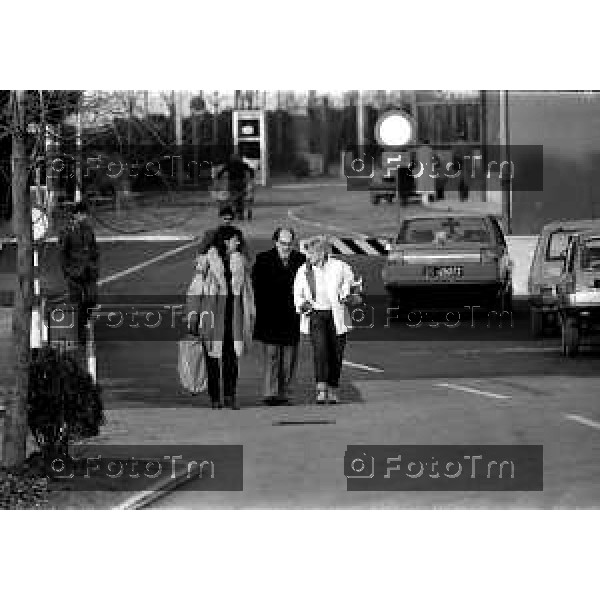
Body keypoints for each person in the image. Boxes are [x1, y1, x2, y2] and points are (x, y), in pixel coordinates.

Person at [187, 226, 255, 409]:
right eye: (235, 239)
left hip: (233, 317)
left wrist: (250, 313)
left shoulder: (240, 262)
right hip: (211, 317)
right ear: (225, 241)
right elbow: (195, 290)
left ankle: (230, 396)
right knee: (211, 359)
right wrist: (193, 317)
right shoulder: (206, 262)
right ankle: (215, 398)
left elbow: (248, 292)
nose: (238, 243)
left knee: (231, 359)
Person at [293, 235, 356, 404]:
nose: (308, 257)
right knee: (320, 351)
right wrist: (303, 305)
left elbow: (353, 284)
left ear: (321, 253)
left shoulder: (340, 267)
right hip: (316, 315)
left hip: (338, 314)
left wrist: (345, 294)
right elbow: (297, 294)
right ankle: (321, 390)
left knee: (336, 353)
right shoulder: (304, 270)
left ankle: (333, 389)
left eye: (311, 254)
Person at [252, 227, 305, 406]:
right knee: (272, 356)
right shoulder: (263, 259)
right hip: (270, 316)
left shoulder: (300, 259)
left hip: (292, 316)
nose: (286, 247)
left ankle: (285, 394)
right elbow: (256, 287)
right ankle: (270, 393)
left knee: (289, 359)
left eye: (290, 243)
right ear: (276, 242)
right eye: (283, 243)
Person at [59, 201, 98, 346]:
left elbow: (94, 248)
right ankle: (79, 332)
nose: (85, 217)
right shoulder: (66, 231)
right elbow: (62, 254)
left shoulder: (88, 229)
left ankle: (85, 323)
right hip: (74, 273)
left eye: (85, 214)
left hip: (89, 271)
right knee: (77, 302)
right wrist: (67, 272)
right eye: (82, 214)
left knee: (92, 299)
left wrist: (94, 264)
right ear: (76, 215)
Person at [215, 153, 254, 220]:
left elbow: (221, 172)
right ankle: (240, 213)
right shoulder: (243, 164)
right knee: (241, 198)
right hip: (241, 183)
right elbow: (251, 170)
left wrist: (218, 177)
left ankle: (235, 212)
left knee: (233, 197)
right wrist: (251, 177)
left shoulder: (229, 164)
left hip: (232, 183)